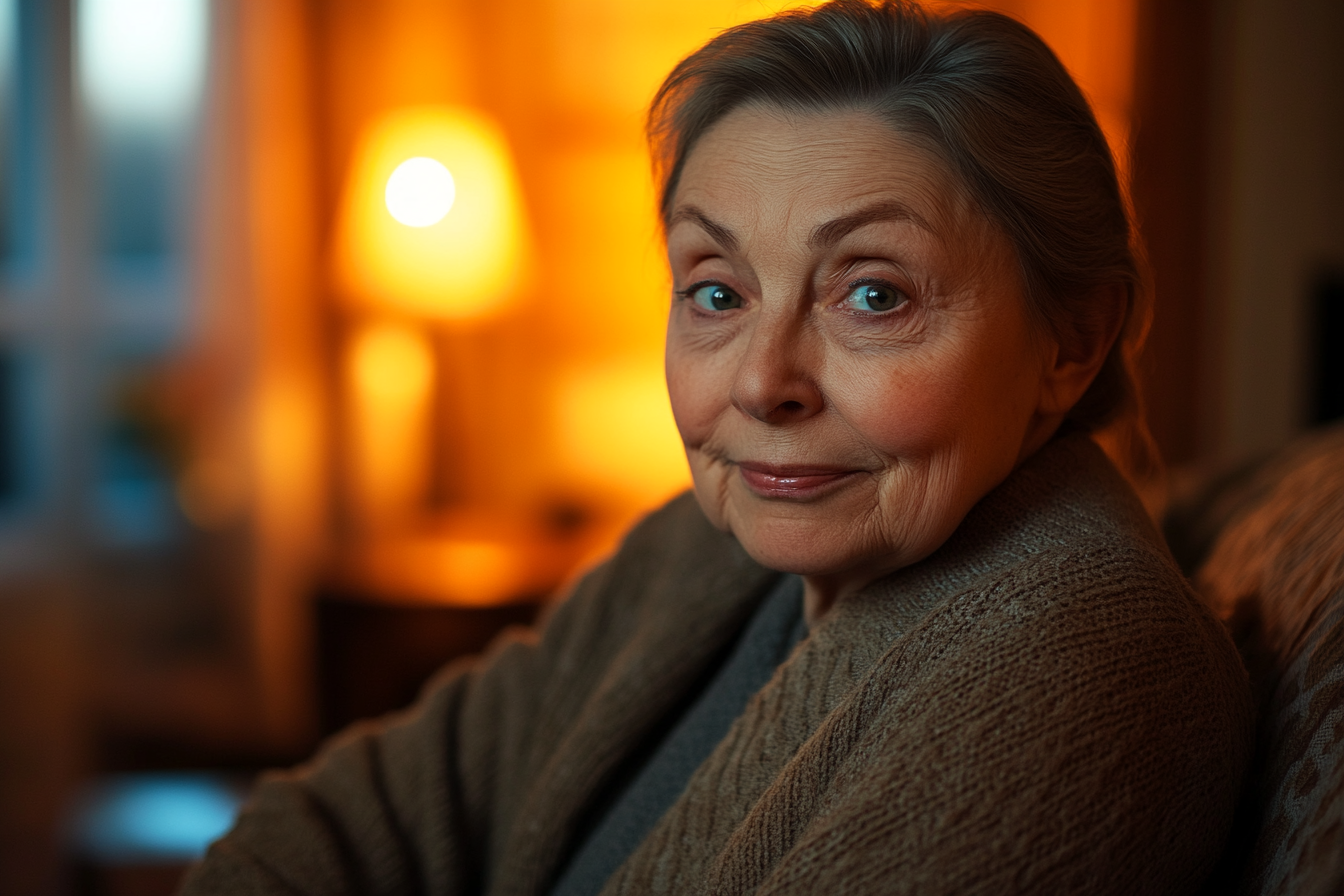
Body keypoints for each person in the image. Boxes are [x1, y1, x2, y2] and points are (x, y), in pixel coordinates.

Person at [181, 2, 1252, 893]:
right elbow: (358, 818)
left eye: (873, 293)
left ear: (1070, 341)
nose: (757, 380)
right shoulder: (704, 545)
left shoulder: (1077, 661)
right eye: (717, 290)